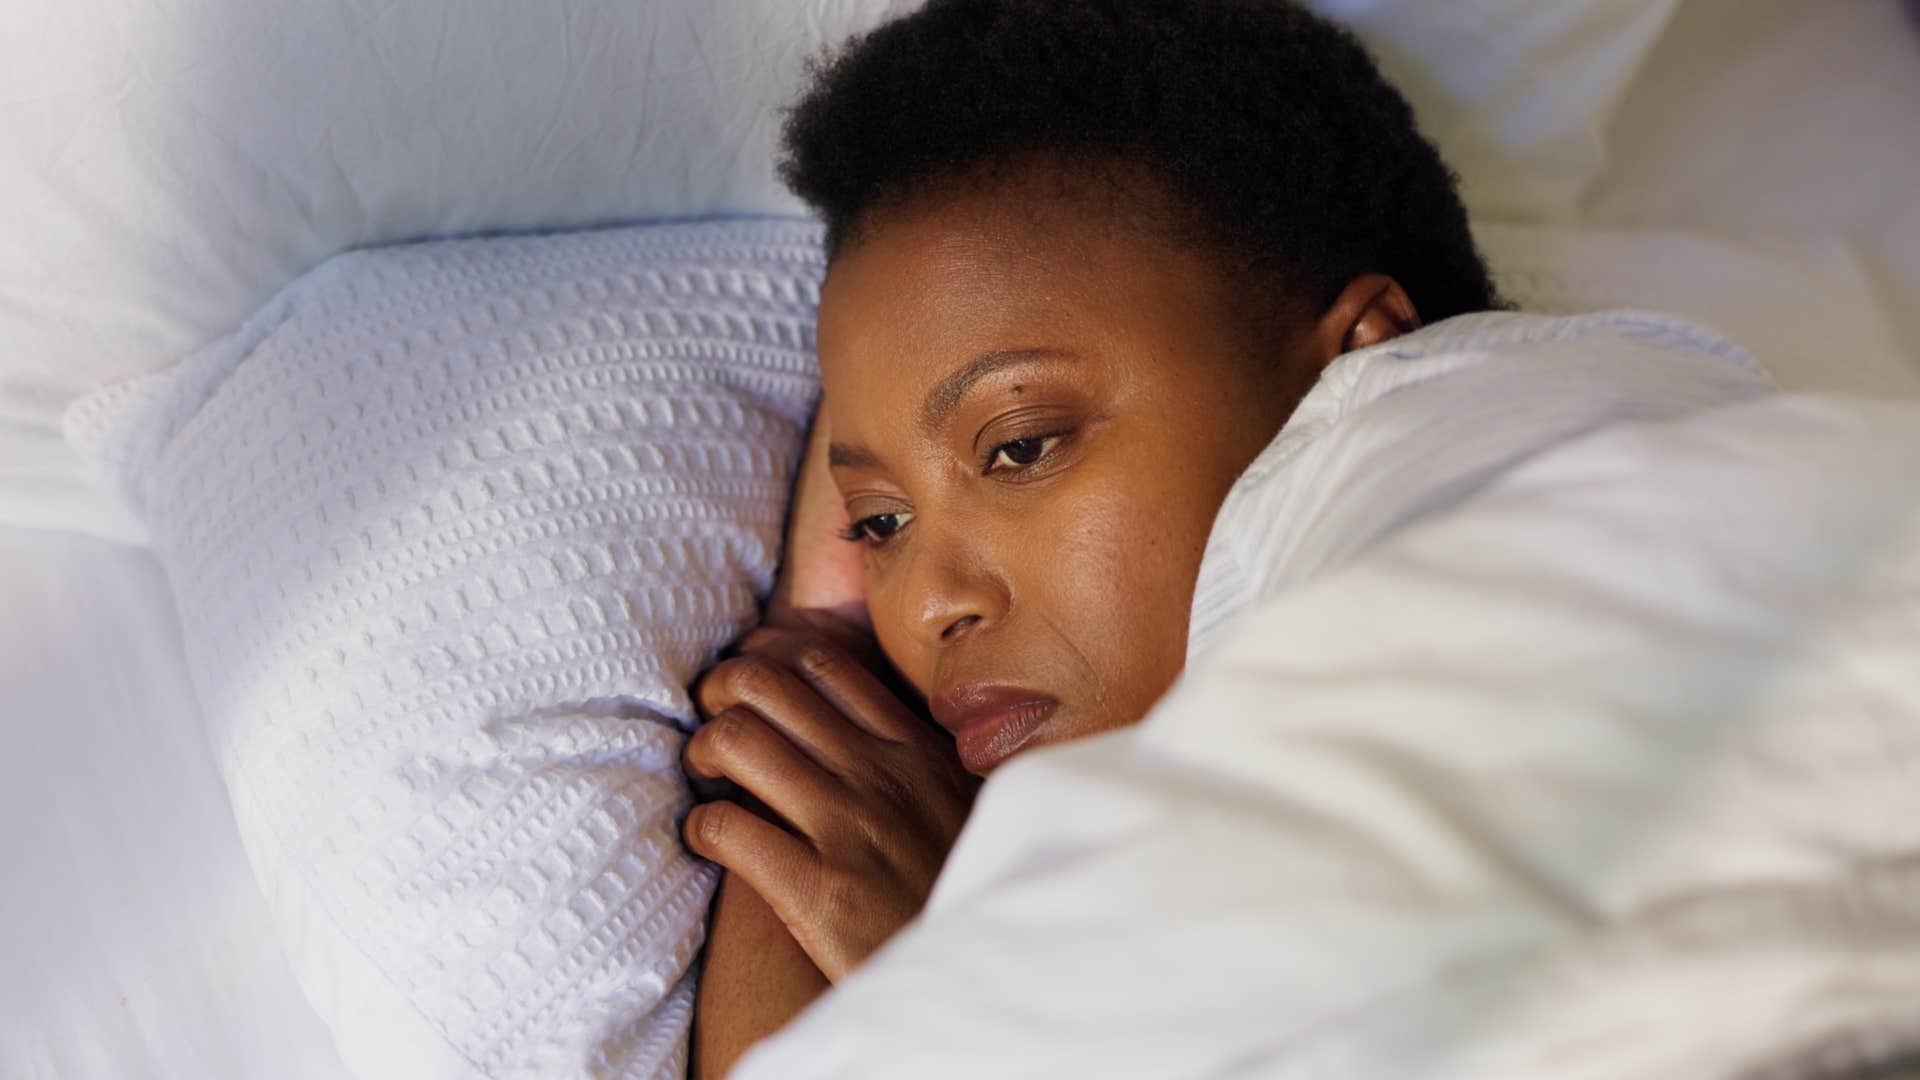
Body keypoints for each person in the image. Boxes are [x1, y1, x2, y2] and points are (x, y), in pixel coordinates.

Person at [681, 0, 1500, 1072]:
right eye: (880, 520)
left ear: (1358, 367)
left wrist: (976, 983)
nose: (927, 604)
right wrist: (821, 642)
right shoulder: (929, 832)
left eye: (1020, 445)